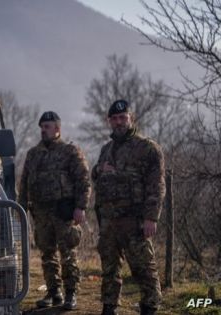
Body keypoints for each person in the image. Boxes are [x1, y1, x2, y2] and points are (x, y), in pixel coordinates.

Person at [92, 100, 165, 315]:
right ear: (109, 122)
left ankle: (150, 306)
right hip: (109, 221)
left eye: (122, 117)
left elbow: (157, 186)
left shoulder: (147, 148)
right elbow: (96, 175)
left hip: (135, 220)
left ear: (130, 117)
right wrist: (99, 169)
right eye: (114, 119)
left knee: (143, 268)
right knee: (109, 268)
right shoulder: (107, 149)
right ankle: (109, 306)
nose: (118, 122)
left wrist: (152, 218)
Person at [18, 111, 91, 310]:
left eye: (47, 127)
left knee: (68, 253)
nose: (43, 130)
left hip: (63, 211)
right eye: (41, 127)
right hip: (40, 213)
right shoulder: (33, 154)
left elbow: (83, 181)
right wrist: (21, 208)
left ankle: (71, 293)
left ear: (57, 129)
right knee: (47, 255)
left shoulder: (70, 151)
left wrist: (81, 207)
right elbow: (24, 183)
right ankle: (53, 292)